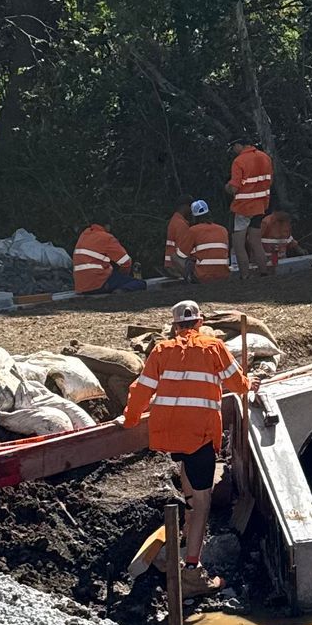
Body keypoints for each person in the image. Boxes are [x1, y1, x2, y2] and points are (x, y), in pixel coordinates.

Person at [122, 299, 248, 576]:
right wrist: (250, 384)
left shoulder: (161, 350)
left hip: (169, 433)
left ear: (175, 326)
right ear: (200, 323)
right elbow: (237, 384)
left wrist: (130, 419)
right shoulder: (214, 347)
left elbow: (142, 389)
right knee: (203, 500)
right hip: (199, 433)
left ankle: (186, 533)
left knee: (189, 483)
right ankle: (192, 565)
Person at [227, 142, 274, 272]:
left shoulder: (239, 161)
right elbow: (270, 181)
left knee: (238, 244)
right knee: (256, 241)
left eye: (232, 147)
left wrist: (227, 187)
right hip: (261, 206)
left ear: (238, 145)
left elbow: (234, 188)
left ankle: (245, 275)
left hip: (243, 207)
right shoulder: (265, 157)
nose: (233, 150)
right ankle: (263, 271)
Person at [166, 199, 231, 284]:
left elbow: (181, 255)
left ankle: (190, 280)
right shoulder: (223, 230)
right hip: (224, 274)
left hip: (203, 276)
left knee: (175, 257)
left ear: (194, 216)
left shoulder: (193, 231)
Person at [72, 223, 134, 297]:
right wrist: (123, 276)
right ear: (107, 225)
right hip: (98, 284)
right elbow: (126, 262)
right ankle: (119, 291)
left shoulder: (83, 236)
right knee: (139, 283)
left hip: (81, 287)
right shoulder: (106, 237)